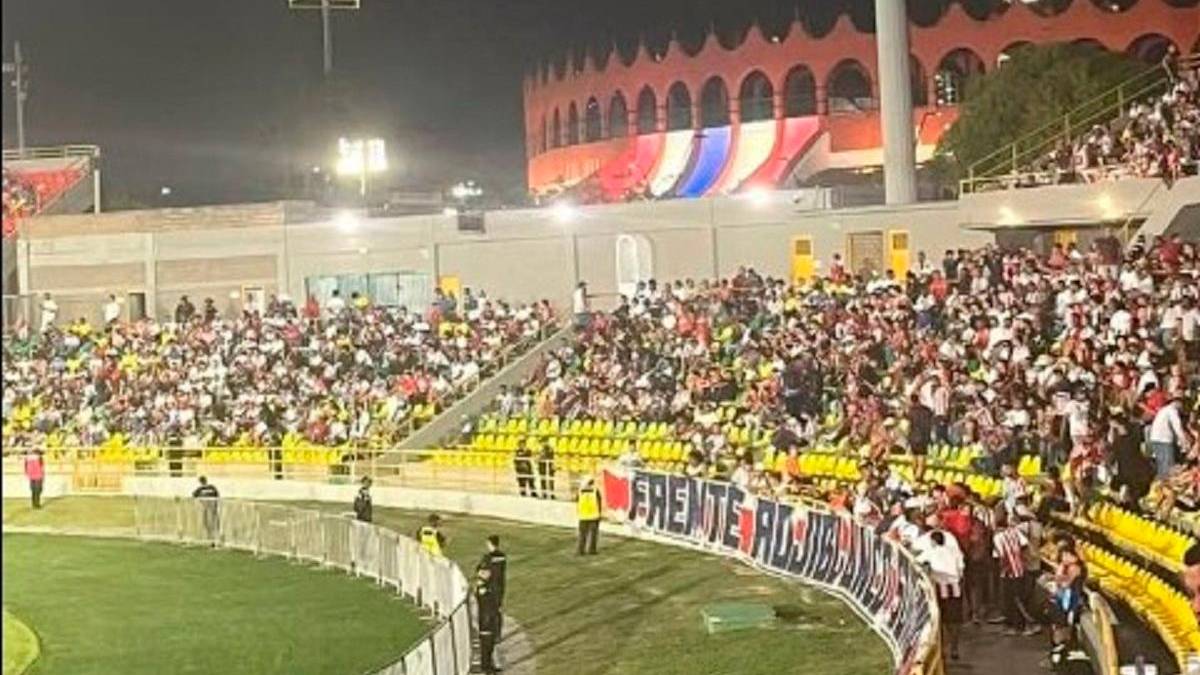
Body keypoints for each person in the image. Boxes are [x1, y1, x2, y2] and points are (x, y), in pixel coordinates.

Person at [917, 530, 965, 661]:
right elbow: (961, 567)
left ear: (933, 541)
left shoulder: (931, 552)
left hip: (941, 587)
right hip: (955, 587)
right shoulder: (954, 551)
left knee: (941, 618)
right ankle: (954, 647)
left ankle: (942, 647)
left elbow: (917, 561)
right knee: (955, 620)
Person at [476, 535, 508, 641]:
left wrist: (481, 581)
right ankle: (497, 634)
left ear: (491, 544)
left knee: (489, 611)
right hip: (499, 587)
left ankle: (491, 633)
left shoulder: (489, 557)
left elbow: (483, 571)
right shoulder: (501, 556)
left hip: (490, 587)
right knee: (496, 611)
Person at [474, 567, 501, 674]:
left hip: (491, 619)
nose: (488, 573)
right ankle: (486, 667)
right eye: (484, 572)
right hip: (486, 621)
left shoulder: (488, 585)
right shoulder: (482, 587)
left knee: (490, 645)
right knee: (486, 645)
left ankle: (489, 665)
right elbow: (485, 603)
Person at [576, 477, 601, 555]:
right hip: (594, 515)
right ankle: (592, 550)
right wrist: (600, 513)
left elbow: (577, 501)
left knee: (582, 535)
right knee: (593, 535)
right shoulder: (595, 491)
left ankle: (580, 550)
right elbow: (599, 502)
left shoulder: (580, 491)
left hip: (583, 516)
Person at [192, 475, 220, 543]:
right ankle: (213, 535)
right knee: (212, 521)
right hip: (211, 508)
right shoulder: (211, 487)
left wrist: (201, 501)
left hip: (208, 508)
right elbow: (217, 495)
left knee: (208, 521)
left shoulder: (201, 489)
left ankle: (211, 535)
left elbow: (194, 495)